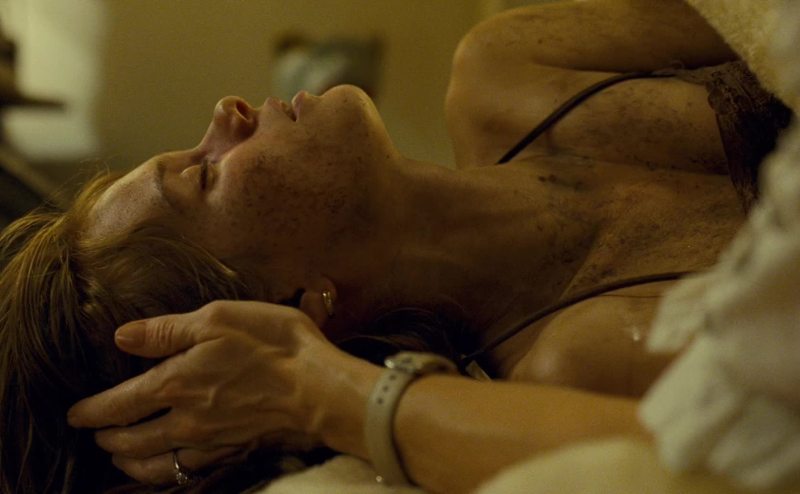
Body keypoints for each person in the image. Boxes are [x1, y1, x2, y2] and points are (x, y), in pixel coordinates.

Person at [0, 1, 788, 493]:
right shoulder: (585, 358)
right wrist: (315, 390)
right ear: (293, 305)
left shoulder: (511, 69)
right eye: (204, 175)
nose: (224, 113)